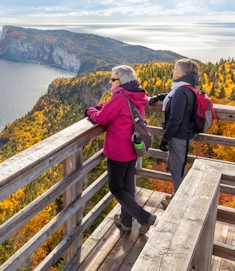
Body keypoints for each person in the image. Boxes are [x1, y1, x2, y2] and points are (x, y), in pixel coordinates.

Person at [85, 65, 156, 234]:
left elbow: (102, 119)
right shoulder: (137, 95)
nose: (110, 81)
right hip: (133, 147)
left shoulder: (120, 97)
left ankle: (144, 217)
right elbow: (119, 112)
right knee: (128, 185)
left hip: (119, 150)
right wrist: (104, 107)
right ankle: (126, 221)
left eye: (113, 79)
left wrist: (90, 111)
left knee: (116, 188)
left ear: (121, 81)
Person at [149, 59, 200, 209]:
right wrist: (160, 97)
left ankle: (178, 203)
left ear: (183, 72)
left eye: (175, 69)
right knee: (174, 164)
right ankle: (178, 195)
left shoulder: (182, 91)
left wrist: (165, 138)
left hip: (179, 136)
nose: (173, 71)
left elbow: (175, 118)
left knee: (177, 169)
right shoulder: (188, 88)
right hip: (185, 134)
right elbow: (176, 99)